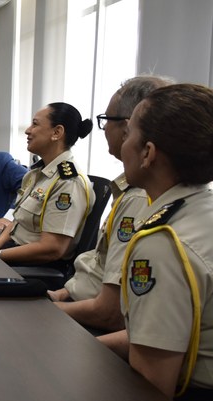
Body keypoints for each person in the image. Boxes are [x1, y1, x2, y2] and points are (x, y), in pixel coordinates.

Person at [97, 84, 213, 400]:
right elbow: (162, 337)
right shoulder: (202, 210)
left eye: (129, 132)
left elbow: (151, 383)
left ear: (148, 153)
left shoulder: (162, 242)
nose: (122, 144)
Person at [49, 76, 172, 333]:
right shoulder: (131, 190)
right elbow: (97, 269)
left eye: (106, 120)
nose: (103, 129)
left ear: (128, 128)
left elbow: (110, 314)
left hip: (91, 323)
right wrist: (61, 295)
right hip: (75, 300)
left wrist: (46, 311)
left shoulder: (140, 197)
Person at [0, 102, 95, 265]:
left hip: (33, 268)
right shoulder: (37, 174)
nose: (27, 130)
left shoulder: (68, 182)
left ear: (57, 132)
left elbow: (53, 248)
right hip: (12, 254)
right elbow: (19, 221)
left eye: (35, 124)